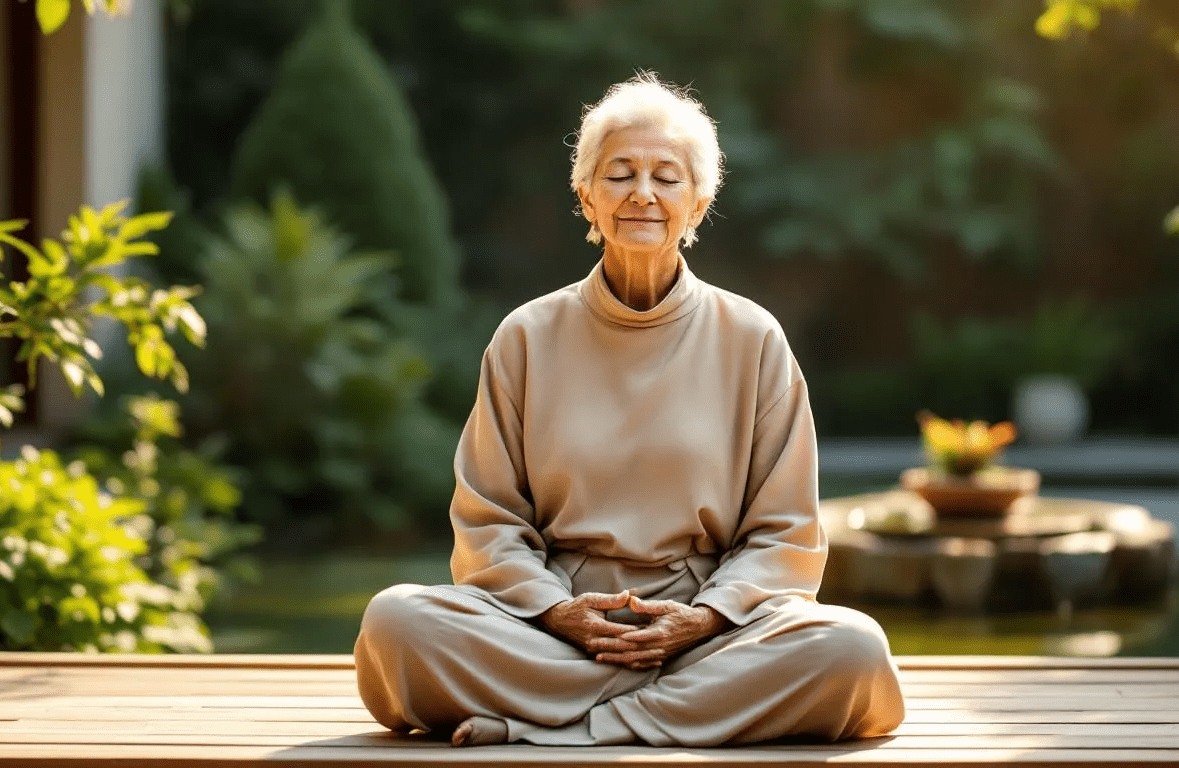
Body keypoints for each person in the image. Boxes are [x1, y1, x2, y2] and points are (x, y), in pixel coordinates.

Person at [354, 72, 905, 748]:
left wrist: (700, 621)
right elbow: (488, 523)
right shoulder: (526, 336)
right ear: (586, 196)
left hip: (706, 634)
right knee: (395, 626)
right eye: (620, 174)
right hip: (552, 631)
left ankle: (555, 727)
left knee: (852, 651)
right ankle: (667, 714)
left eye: (666, 177)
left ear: (698, 204)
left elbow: (786, 534)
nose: (643, 193)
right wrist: (561, 613)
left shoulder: (753, 338)